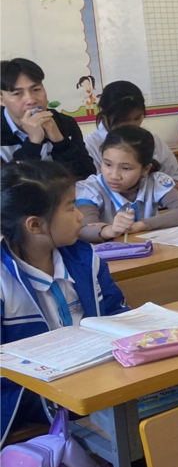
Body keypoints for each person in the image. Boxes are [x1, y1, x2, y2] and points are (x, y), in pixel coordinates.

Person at [0, 161, 129, 442]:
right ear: (35, 225)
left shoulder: (85, 259)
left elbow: (117, 316)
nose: (80, 217)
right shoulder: (3, 282)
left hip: (98, 378)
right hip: (30, 397)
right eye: (70, 208)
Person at [76, 126, 178, 242]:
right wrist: (109, 230)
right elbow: (84, 229)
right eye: (107, 164)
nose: (114, 175)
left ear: (145, 169)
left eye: (126, 168)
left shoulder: (154, 182)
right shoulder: (91, 188)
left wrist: (141, 225)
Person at [0, 58, 94, 179]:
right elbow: (7, 185)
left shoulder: (65, 123)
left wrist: (60, 140)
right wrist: (33, 143)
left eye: (36, 90)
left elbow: (86, 175)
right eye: (17, 93)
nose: (31, 100)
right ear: (1, 100)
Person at [85, 80, 178, 185]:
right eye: (124, 120)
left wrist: (160, 193)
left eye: (137, 118)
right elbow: (91, 190)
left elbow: (177, 180)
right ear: (104, 114)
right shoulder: (89, 146)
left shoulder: (152, 140)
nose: (133, 125)